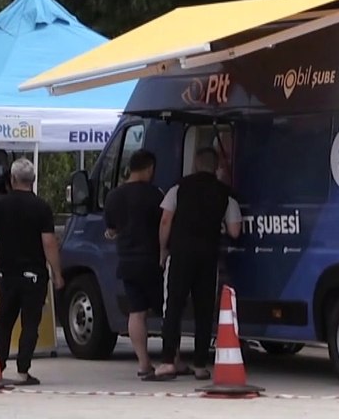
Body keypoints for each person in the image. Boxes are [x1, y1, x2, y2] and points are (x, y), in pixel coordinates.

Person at [150, 147, 242, 381]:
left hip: (180, 255)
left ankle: (168, 361)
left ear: (195, 164)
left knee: (173, 306)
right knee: (204, 309)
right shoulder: (226, 194)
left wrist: (163, 250)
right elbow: (234, 231)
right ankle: (200, 364)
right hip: (208, 257)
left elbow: (165, 221)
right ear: (216, 167)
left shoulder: (178, 188)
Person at [0, 158, 62, 386]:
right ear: (33, 179)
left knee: (3, 322)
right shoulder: (42, 207)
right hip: (34, 275)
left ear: (12, 179)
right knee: (30, 324)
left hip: (7, 273)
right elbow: (49, 243)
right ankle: (23, 370)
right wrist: (57, 273)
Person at [103, 149, 164, 378]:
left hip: (127, 261)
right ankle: (173, 359)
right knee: (167, 311)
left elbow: (111, 230)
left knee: (136, 313)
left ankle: (143, 363)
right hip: (152, 260)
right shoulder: (155, 195)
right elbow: (164, 223)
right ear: (149, 169)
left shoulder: (113, 196)